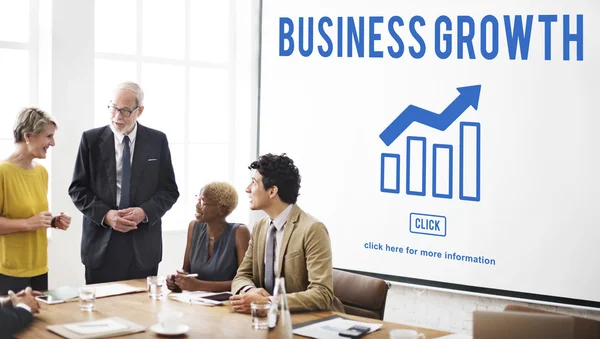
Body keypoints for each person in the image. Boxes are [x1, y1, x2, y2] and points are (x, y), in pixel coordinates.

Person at [69, 81, 179, 284]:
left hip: (143, 245)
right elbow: (77, 189)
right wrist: (106, 215)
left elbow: (169, 190)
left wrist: (144, 212)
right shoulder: (90, 140)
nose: (117, 116)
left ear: (140, 111)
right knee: (101, 313)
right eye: (113, 108)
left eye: (126, 111)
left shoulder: (157, 141)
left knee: (142, 313)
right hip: (101, 244)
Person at [230, 153, 344, 313]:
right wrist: (250, 291)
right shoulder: (260, 227)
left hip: (310, 320)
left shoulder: (312, 229)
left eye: (254, 183)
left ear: (272, 192)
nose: (247, 189)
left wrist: (268, 302)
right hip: (269, 319)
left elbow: (322, 294)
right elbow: (241, 276)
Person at [0, 108, 71, 295]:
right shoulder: (2, 172)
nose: (53, 143)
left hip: (39, 268)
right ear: (28, 136)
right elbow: (27, 220)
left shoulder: (41, 172)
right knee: (14, 323)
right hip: (8, 271)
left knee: (39, 321)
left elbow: (30, 213)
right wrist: (28, 224)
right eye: (49, 136)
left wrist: (53, 221)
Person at [166, 182, 250, 292]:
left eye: (203, 202)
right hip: (195, 302)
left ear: (222, 209)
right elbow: (186, 270)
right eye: (198, 200)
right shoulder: (194, 227)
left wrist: (198, 286)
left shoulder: (239, 232)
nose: (197, 206)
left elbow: (244, 282)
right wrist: (178, 280)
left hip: (227, 304)